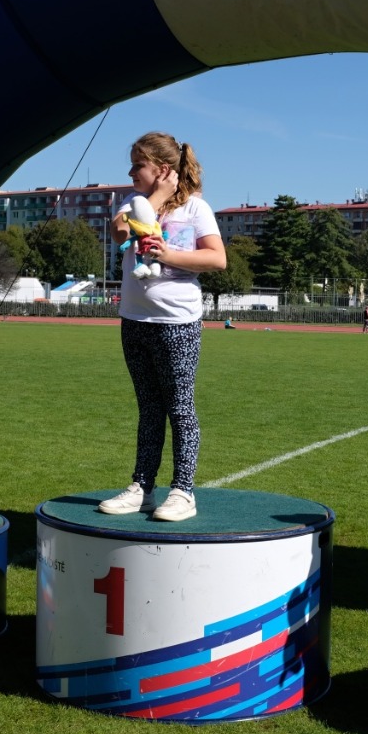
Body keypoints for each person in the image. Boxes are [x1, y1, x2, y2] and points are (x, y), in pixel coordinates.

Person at [98, 132, 227, 523]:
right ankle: (142, 488)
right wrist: (154, 199)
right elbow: (119, 233)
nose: (130, 172)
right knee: (149, 409)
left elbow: (217, 259)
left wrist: (168, 253)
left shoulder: (195, 208)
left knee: (180, 409)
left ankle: (183, 492)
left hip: (177, 323)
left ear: (163, 168)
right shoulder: (132, 203)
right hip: (134, 320)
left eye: (138, 165)